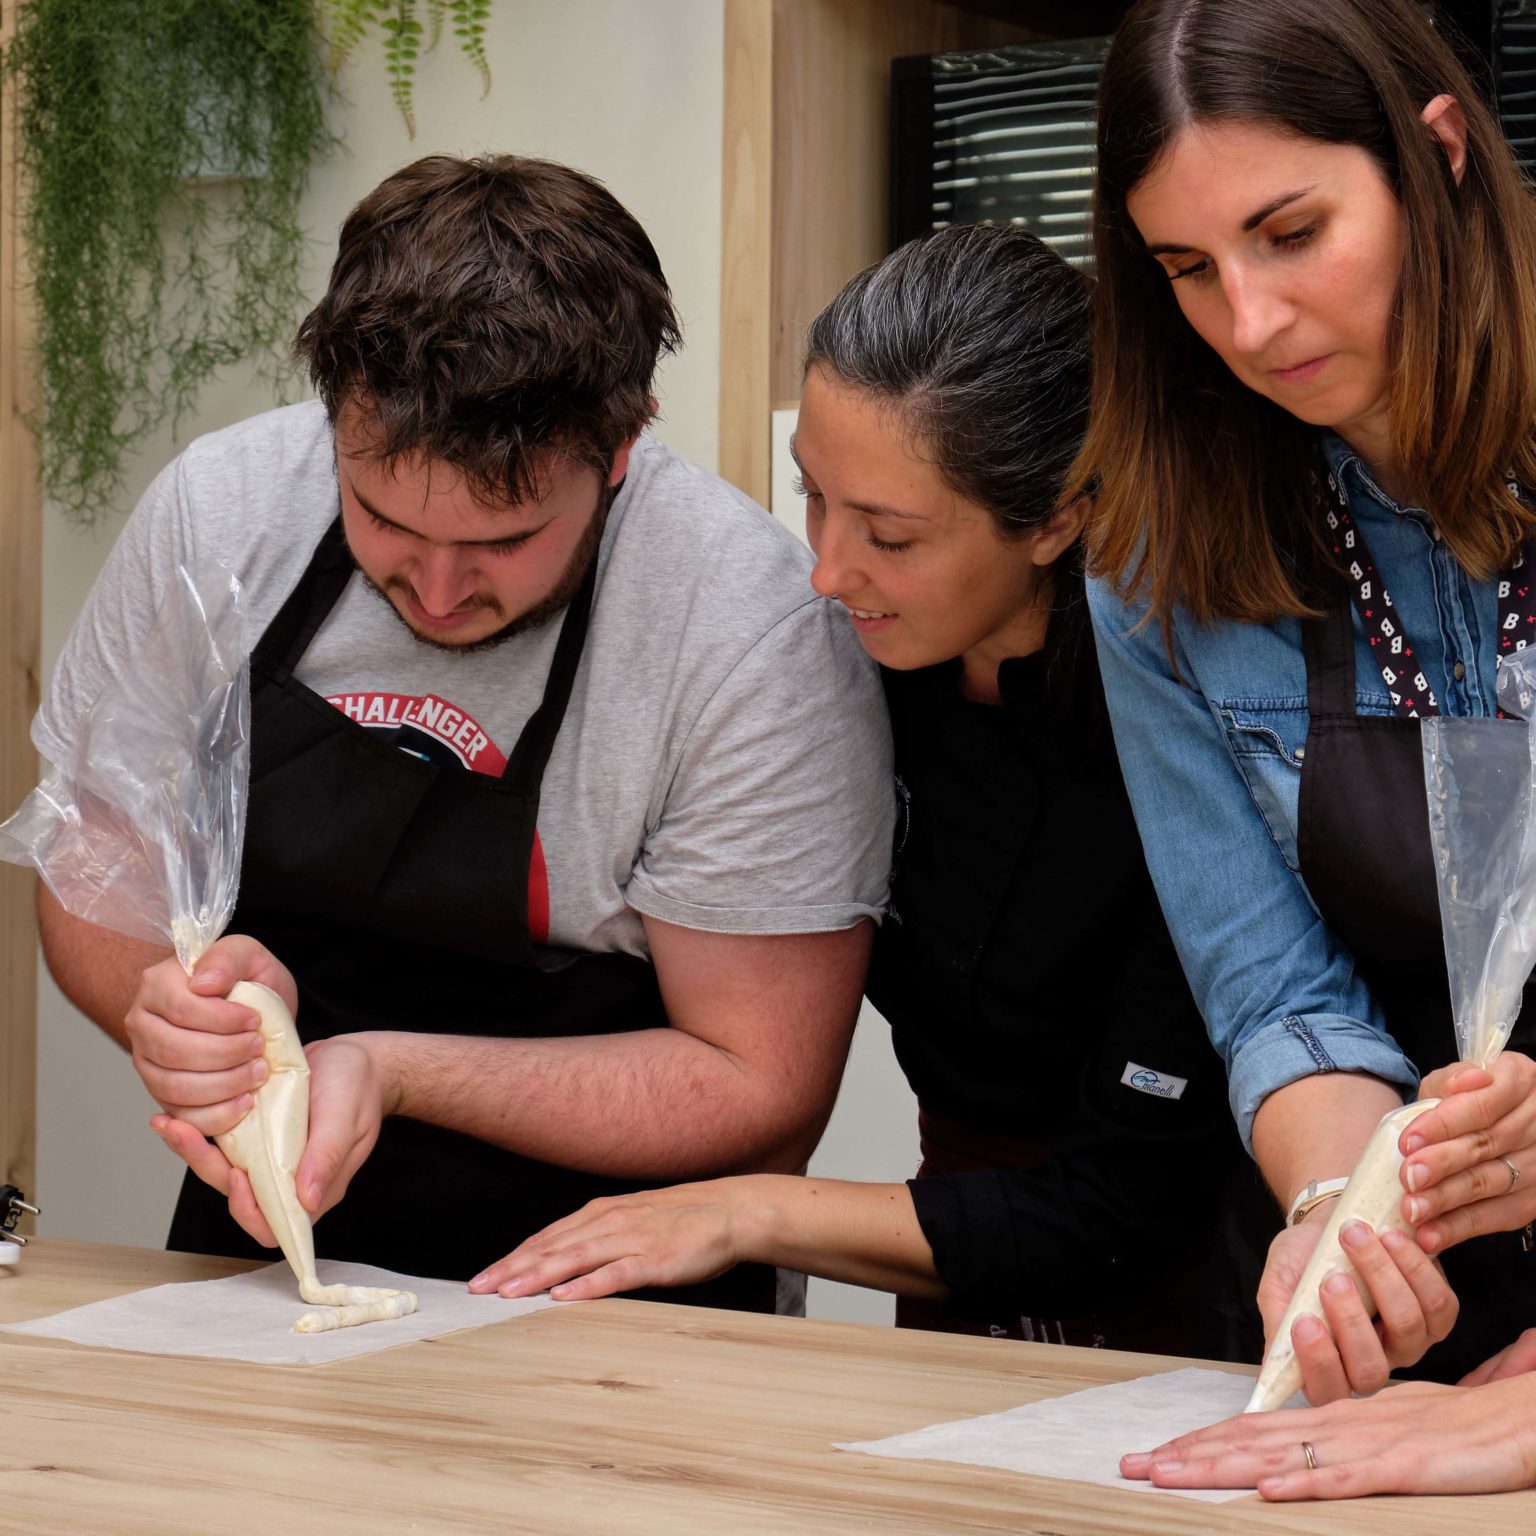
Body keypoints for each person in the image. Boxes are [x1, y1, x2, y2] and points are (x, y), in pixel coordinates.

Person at [33, 154, 893, 1312]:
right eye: (383, 517)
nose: (436, 592)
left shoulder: (748, 630)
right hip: (266, 1261)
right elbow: (95, 853)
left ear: (624, 443)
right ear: (334, 413)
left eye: (505, 540)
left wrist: (385, 1069)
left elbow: (761, 1080)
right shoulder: (221, 514)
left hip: (622, 1294)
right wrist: (182, 1013)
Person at [469, 223, 1262, 1360]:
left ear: (1059, 515)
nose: (829, 571)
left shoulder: (1197, 730)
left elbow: (1119, 1207)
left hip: (1203, 1308)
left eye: (889, 534)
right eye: (814, 500)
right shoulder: (855, 675)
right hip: (957, 1268)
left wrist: (744, 1210)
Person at [1078, 0, 1536, 1402]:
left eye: (1291, 233)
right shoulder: (1159, 564)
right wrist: (1341, 1203)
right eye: (1187, 269)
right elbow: (1274, 988)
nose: (1250, 322)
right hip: (1404, 1324)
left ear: (1438, 155)